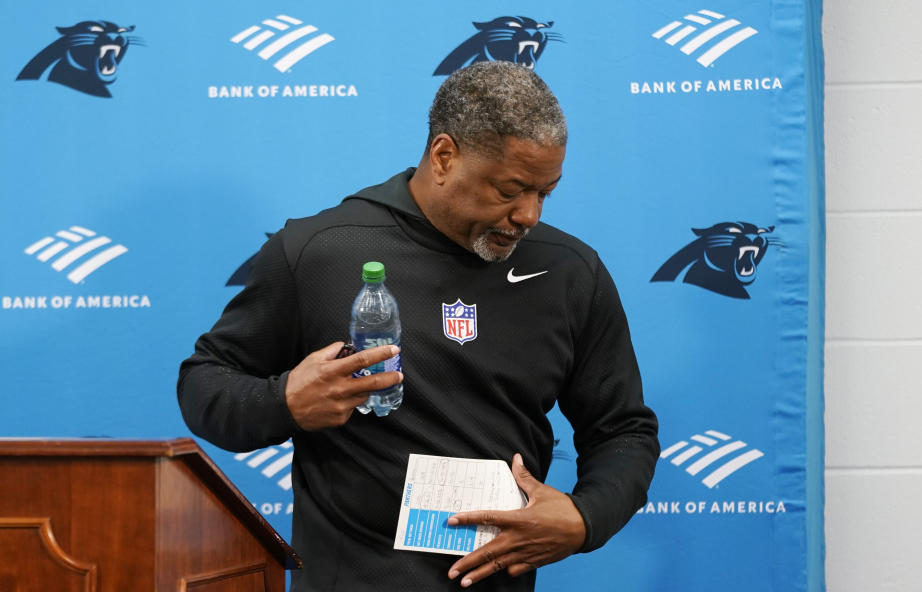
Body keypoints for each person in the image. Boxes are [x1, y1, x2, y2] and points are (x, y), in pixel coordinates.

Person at [178, 61, 659, 591]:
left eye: (545, 192)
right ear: (444, 156)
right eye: (510, 190)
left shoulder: (570, 271)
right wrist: (285, 402)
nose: (529, 215)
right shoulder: (319, 252)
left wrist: (585, 518)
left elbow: (623, 431)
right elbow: (204, 384)